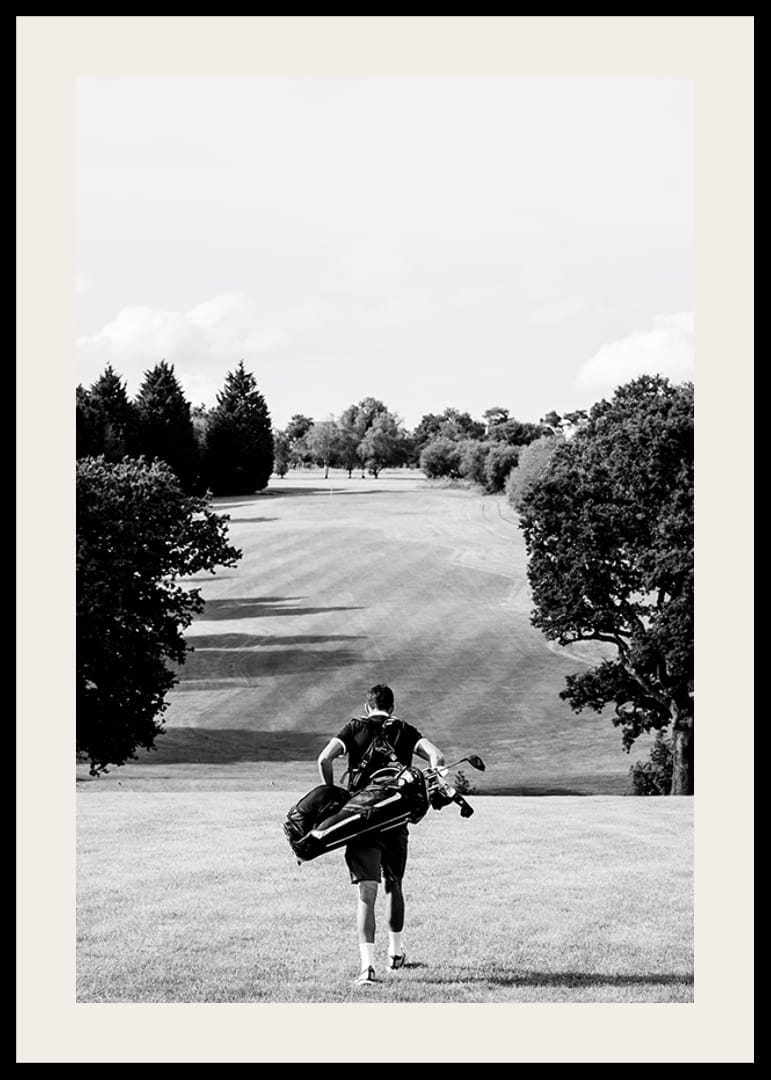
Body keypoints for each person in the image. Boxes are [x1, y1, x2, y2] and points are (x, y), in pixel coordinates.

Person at [316, 683, 446, 986]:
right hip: (395, 820)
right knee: (394, 884)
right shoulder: (404, 729)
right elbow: (437, 756)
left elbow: (324, 759)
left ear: (367, 707)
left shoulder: (354, 727)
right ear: (392, 708)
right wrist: (434, 782)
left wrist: (332, 794)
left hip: (360, 821)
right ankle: (395, 955)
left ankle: (367, 969)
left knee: (367, 892)